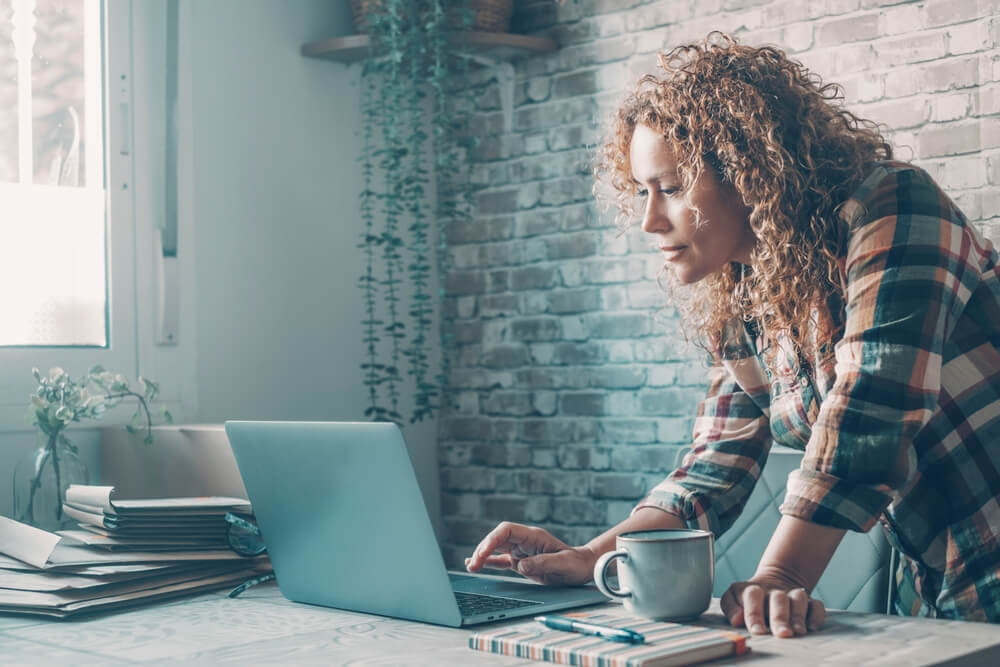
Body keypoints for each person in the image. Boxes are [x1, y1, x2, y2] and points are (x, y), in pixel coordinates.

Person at [465, 32, 1000, 637]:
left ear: (749, 169)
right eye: (642, 191)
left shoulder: (894, 207)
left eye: (669, 188)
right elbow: (713, 465)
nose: (647, 220)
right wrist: (595, 558)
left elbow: (873, 409)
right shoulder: (747, 297)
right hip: (937, 580)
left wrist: (778, 575)